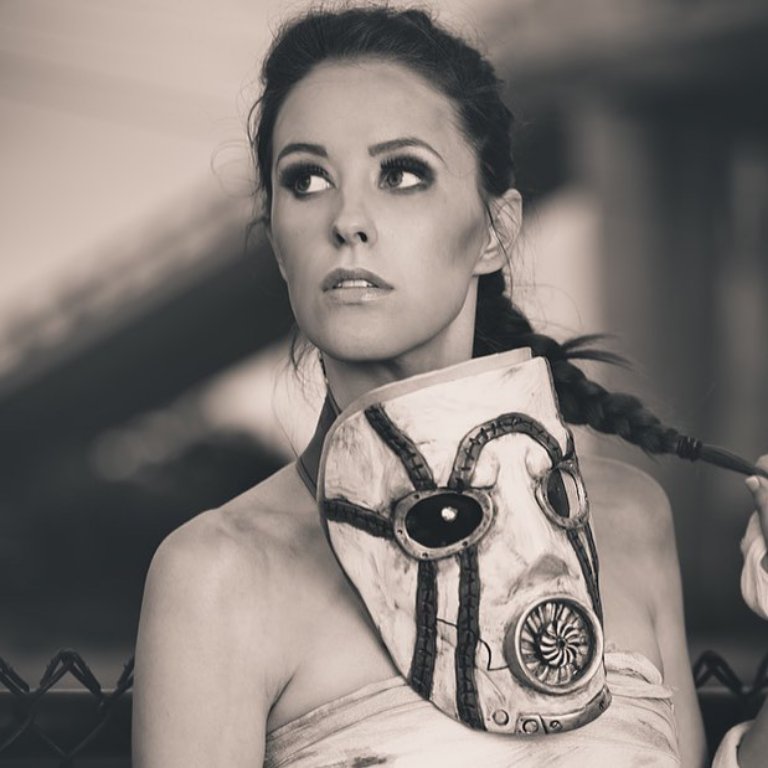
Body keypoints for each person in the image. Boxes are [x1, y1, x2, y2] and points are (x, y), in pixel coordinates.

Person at [131, 7, 768, 767]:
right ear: (277, 242)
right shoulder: (219, 574)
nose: (347, 220)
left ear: (495, 231)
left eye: (402, 173)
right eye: (307, 180)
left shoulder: (629, 519)